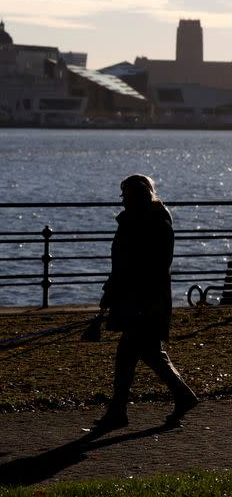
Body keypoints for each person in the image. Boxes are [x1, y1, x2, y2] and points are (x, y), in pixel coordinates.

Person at [93, 174, 198, 431]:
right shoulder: (143, 220)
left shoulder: (150, 222)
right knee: (146, 351)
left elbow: (146, 265)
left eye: (126, 196)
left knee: (132, 350)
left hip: (143, 299)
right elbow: (123, 263)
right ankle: (180, 396)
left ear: (138, 196)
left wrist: (118, 291)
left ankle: (119, 411)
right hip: (140, 297)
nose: (123, 201)